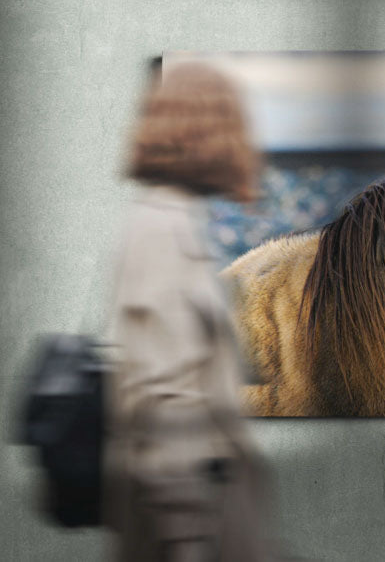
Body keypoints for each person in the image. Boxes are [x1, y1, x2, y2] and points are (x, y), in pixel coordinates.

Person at [106, 62, 269, 560]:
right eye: (233, 122)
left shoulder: (175, 222)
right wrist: (186, 536)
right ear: (207, 131)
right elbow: (164, 391)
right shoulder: (161, 231)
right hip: (190, 518)